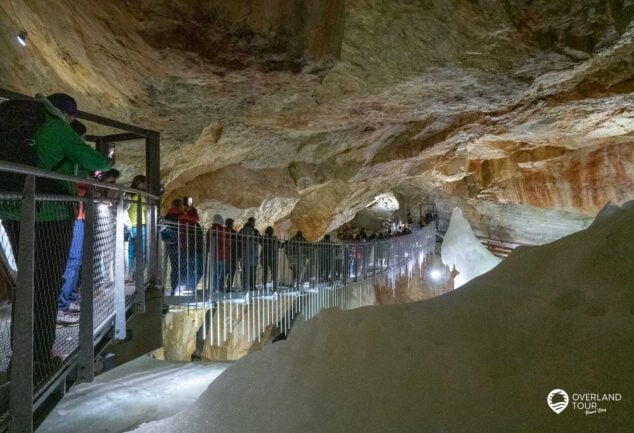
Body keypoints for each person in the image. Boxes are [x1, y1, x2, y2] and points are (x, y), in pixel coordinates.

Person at [0, 93, 111, 380]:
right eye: (73, 117)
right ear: (67, 113)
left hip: (12, 207)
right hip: (49, 213)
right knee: (47, 285)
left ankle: (20, 354)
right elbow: (97, 161)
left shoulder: (21, 122)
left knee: (28, 281)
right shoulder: (56, 127)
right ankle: (38, 360)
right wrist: (105, 160)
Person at [161, 199, 185, 293]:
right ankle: (180, 288)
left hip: (171, 246)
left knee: (175, 268)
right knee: (182, 267)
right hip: (181, 245)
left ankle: (174, 288)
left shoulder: (168, 215)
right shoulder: (181, 216)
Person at [178, 204, 203, 292]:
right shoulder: (194, 225)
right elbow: (198, 238)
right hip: (194, 249)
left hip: (185, 249)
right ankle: (190, 287)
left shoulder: (183, 223)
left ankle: (188, 287)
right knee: (199, 270)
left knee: (189, 269)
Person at [127, 175, 147, 281]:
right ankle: (137, 276)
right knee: (142, 253)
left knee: (131, 252)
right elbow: (147, 210)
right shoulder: (141, 196)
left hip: (131, 227)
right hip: (140, 227)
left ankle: (129, 274)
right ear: (140, 184)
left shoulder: (129, 194)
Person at [207, 214, 230, 293]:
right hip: (223, 254)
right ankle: (220, 287)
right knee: (223, 272)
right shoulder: (223, 230)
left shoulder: (210, 230)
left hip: (214, 255)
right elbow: (227, 241)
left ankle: (214, 287)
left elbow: (208, 242)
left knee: (215, 272)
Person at [238, 217, 260, 290]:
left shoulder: (241, 231)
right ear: (252, 222)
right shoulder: (255, 231)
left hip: (244, 255)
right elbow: (260, 240)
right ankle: (252, 286)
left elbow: (238, 241)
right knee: (252, 272)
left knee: (244, 271)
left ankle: (244, 286)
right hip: (253, 255)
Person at [260, 226, 279, 291]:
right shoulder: (274, 239)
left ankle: (264, 285)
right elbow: (280, 245)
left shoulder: (262, 238)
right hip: (271, 257)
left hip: (264, 257)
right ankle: (273, 285)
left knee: (265, 272)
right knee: (273, 272)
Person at [224, 218, 238, 291]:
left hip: (224, 255)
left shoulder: (222, 231)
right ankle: (229, 286)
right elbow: (237, 244)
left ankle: (220, 287)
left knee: (224, 272)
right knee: (231, 271)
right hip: (232, 255)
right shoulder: (234, 233)